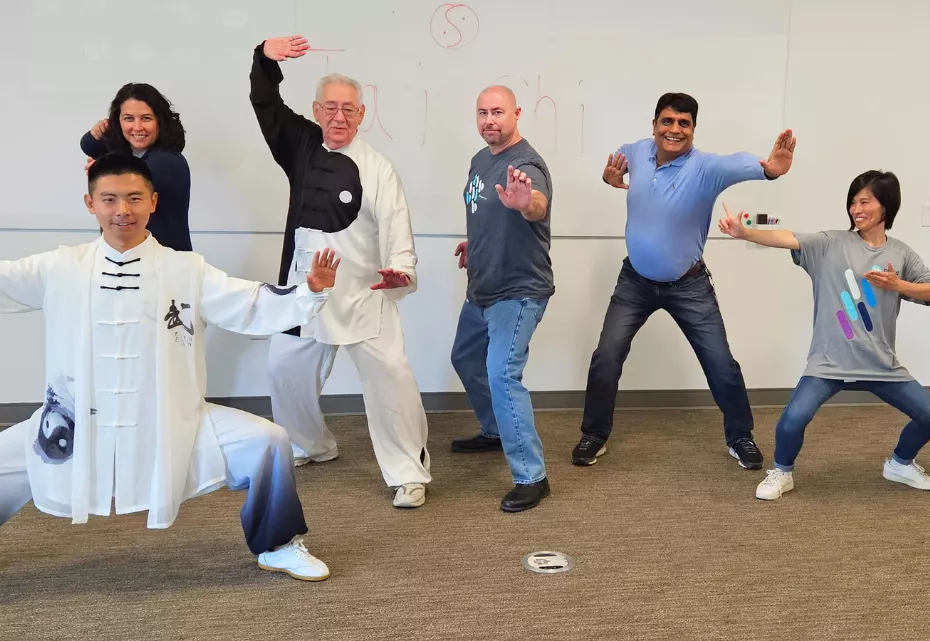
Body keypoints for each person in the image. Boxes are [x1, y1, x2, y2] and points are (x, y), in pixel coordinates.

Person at [0, 154, 340, 581]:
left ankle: (278, 544)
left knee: (269, 441)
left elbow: (248, 302)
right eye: (109, 199)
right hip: (75, 421)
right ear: (90, 204)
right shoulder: (59, 267)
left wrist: (308, 293)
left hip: (170, 421)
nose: (122, 210)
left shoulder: (186, 269)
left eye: (133, 198)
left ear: (153, 202)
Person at [250, 35, 431, 508]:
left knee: (391, 374)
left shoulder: (379, 168)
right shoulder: (300, 145)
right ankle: (309, 444)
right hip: (304, 289)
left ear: (361, 114)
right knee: (284, 367)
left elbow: (396, 225)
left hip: (363, 291)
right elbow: (266, 103)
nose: (338, 117)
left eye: (348, 109)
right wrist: (264, 57)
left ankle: (408, 472)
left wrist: (400, 271)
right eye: (330, 108)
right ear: (316, 110)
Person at [571, 92, 797, 470]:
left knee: (721, 363)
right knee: (606, 356)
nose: (674, 129)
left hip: (689, 285)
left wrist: (772, 169)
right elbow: (614, 168)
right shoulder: (636, 151)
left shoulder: (706, 168)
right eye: (667, 121)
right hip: (634, 282)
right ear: (654, 125)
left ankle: (739, 436)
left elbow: (740, 163)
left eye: (684, 123)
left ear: (693, 129)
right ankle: (594, 434)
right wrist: (610, 177)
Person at [717, 171, 930, 500]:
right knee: (792, 420)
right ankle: (782, 472)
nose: (856, 209)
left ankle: (900, 464)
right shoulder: (830, 243)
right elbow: (787, 238)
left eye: (865, 201)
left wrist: (900, 285)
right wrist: (744, 232)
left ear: (886, 205)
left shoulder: (901, 253)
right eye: (853, 202)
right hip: (829, 361)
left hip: (880, 364)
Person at [450, 85, 554, 512]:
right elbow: (484, 212)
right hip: (482, 286)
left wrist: (527, 203)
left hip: (518, 290)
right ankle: (496, 430)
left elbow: (536, 204)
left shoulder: (526, 164)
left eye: (497, 112)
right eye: (482, 113)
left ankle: (532, 476)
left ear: (516, 114)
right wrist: (475, 243)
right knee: (464, 358)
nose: (489, 120)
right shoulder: (480, 159)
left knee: (502, 375)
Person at [81, 83, 193, 251]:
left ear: (159, 121)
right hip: (126, 256)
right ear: (117, 122)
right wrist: (100, 130)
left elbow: (128, 182)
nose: (137, 127)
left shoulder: (167, 161)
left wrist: (103, 170)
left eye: (146, 118)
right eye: (128, 118)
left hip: (164, 259)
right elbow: (88, 145)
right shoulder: (128, 154)